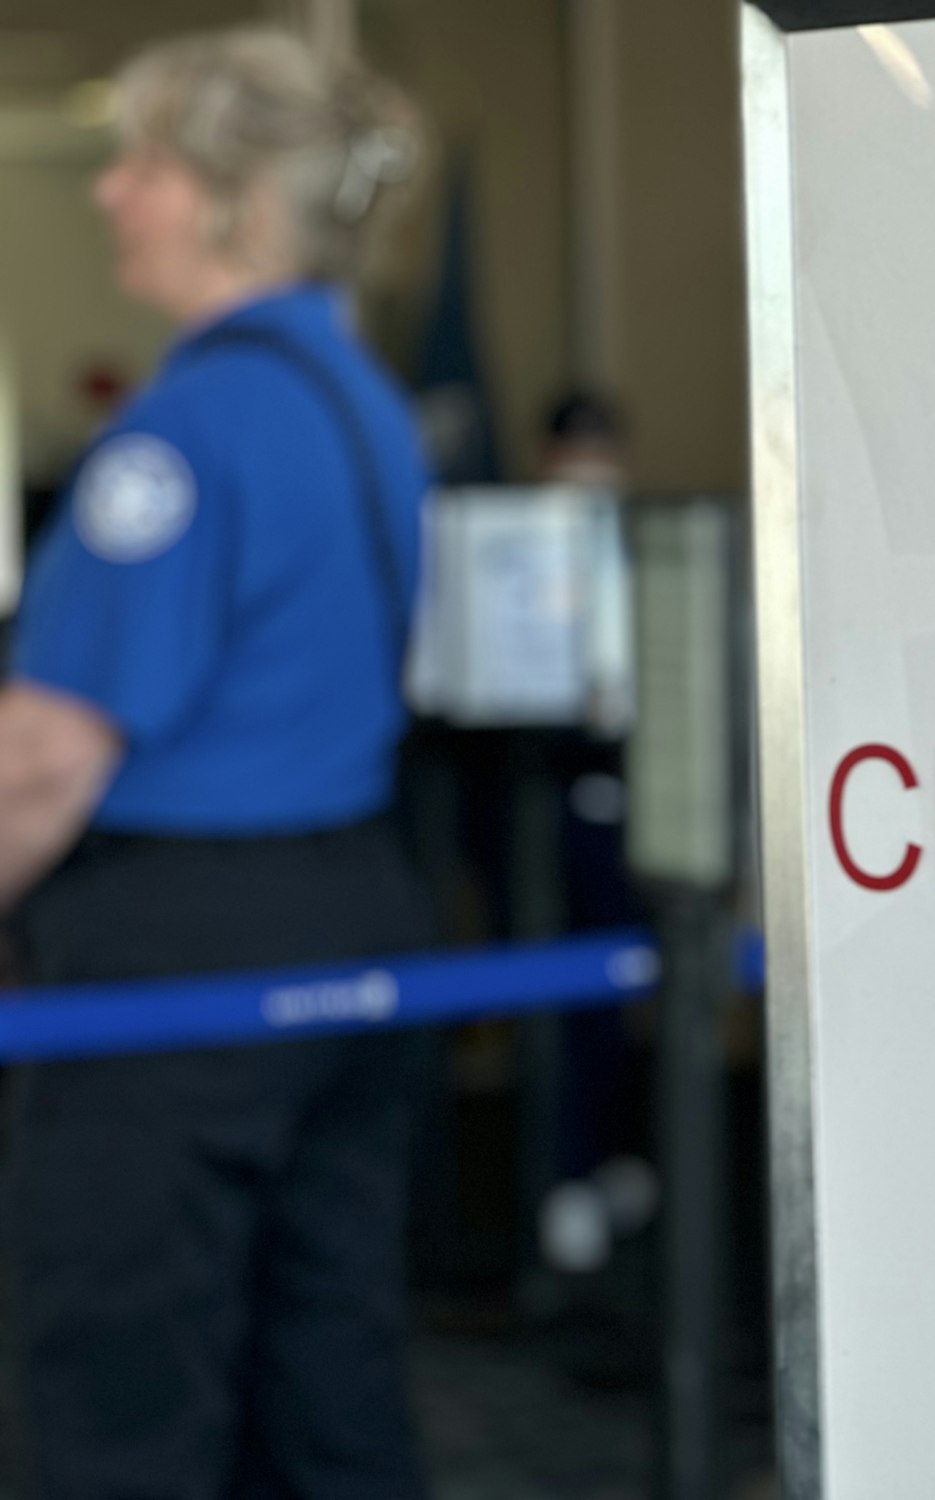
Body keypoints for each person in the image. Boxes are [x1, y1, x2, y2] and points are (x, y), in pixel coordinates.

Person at [0, 28, 432, 1499]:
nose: (111, 191)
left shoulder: (183, 432)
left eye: (143, 163)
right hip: (355, 911)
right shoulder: (361, 403)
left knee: (123, 1387)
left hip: (178, 966)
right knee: (321, 1380)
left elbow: (44, 760)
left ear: (226, 202)